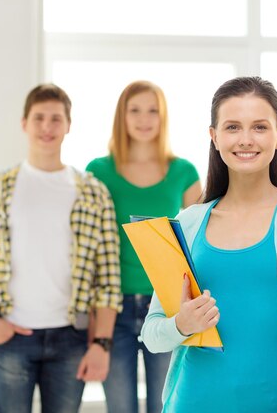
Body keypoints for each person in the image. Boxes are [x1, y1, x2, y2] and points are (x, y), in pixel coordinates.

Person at [139, 76, 277, 412]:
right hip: (193, 402)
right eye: (232, 127)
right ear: (214, 136)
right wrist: (182, 325)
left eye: (259, 127)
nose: (246, 140)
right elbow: (152, 334)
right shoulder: (188, 222)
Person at [0, 84, 122, 413]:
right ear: (24, 123)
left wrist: (101, 343)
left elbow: (108, 277)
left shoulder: (93, 192)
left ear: (68, 125)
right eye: (39, 118)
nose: (47, 127)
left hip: (71, 337)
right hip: (12, 336)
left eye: (56, 118)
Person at [86, 80, 202, 413]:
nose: (144, 118)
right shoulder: (98, 171)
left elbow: (200, 237)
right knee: (120, 407)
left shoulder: (183, 171)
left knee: (166, 405)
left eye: (152, 110)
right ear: (121, 117)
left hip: (165, 305)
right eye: (134, 110)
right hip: (114, 310)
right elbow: (89, 245)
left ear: (163, 117)